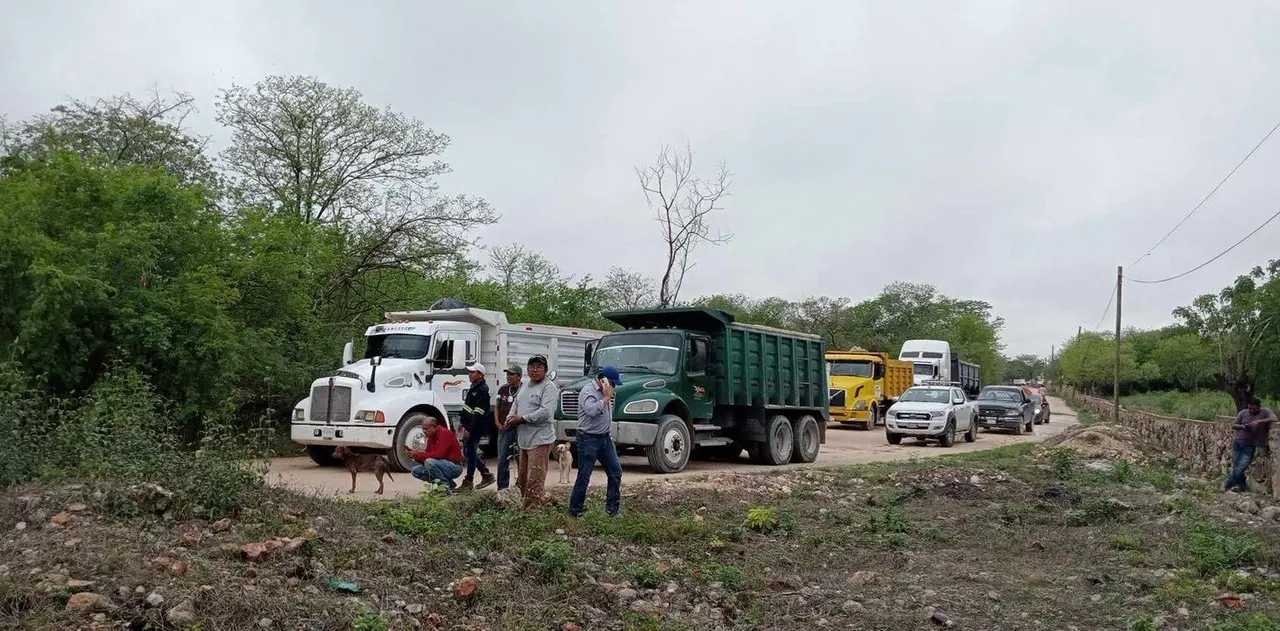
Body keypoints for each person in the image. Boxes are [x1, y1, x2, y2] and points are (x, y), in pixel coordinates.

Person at [569, 365, 624, 518]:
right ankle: (575, 511)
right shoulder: (588, 391)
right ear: (603, 380)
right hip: (588, 438)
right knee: (584, 476)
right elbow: (592, 411)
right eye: (612, 383)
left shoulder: (606, 392)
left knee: (615, 472)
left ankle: (612, 510)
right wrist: (606, 398)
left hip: (605, 438)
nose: (613, 387)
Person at [505, 354, 559, 509]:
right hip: (524, 441)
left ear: (545, 370)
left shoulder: (548, 387)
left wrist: (522, 419)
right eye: (532, 367)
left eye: (539, 367)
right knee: (523, 479)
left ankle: (532, 514)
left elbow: (546, 412)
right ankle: (534, 504)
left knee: (534, 480)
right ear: (527, 370)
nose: (535, 370)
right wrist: (510, 417)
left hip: (540, 440)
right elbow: (516, 403)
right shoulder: (526, 385)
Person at [1224, 398, 1277, 492]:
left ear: (1259, 406)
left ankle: (1227, 484)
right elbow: (1234, 425)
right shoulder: (1243, 413)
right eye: (1250, 409)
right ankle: (1242, 486)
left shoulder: (1265, 411)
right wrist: (1244, 426)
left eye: (1254, 409)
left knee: (1241, 467)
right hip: (1238, 442)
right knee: (1237, 466)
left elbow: (1274, 418)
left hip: (1250, 445)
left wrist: (1259, 421)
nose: (1251, 410)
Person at [458, 362, 495, 491]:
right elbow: (468, 408)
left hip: (476, 427)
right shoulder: (474, 388)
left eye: (473, 372)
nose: (470, 374)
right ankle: (486, 474)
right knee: (469, 451)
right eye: (470, 372)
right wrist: (463, 424)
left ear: (480, 374)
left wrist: (469, 428)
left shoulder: (482, 390)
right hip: (470, 425)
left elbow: (478, 413)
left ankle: (469, 481)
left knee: (471, 451)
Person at [406, 417, 464, 494]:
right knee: (415, 471)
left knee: (429, 462)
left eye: (426, 429)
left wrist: (419, 454)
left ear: (434, 427)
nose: (424, 431)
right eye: (423, 429)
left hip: (455, 467)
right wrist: (415, 456)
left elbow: (439, 455)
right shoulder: (431, 437)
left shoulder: (445, 433)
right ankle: (449, 484)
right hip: (441, 465)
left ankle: (444, 487)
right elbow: (427, 458)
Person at [493, 364, 523, 490]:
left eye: (511, 374)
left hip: (519, 429)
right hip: (504, 429)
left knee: (520, 458)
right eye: (507, 374)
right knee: (502, 459)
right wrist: (497, 422)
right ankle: (502, 487)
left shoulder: (524, 389)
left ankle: (521, 484)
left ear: (519, 377)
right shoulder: (503, 389)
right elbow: (497, 406)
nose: (508, 377)